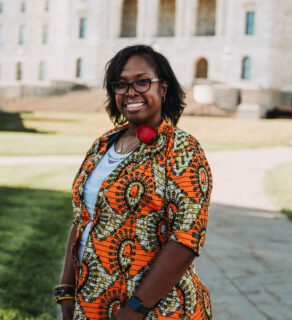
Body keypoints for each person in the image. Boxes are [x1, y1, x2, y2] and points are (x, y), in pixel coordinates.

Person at [56, 44, 213, 320]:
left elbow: (185, 240)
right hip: (91, 302)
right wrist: (66, 289)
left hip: (157, 310)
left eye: (142, 81)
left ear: (163, 88)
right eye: (121, 84)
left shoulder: (182, 149)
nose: (131, 92)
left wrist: (135, 309)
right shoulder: (103, 144)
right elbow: (82, 219)